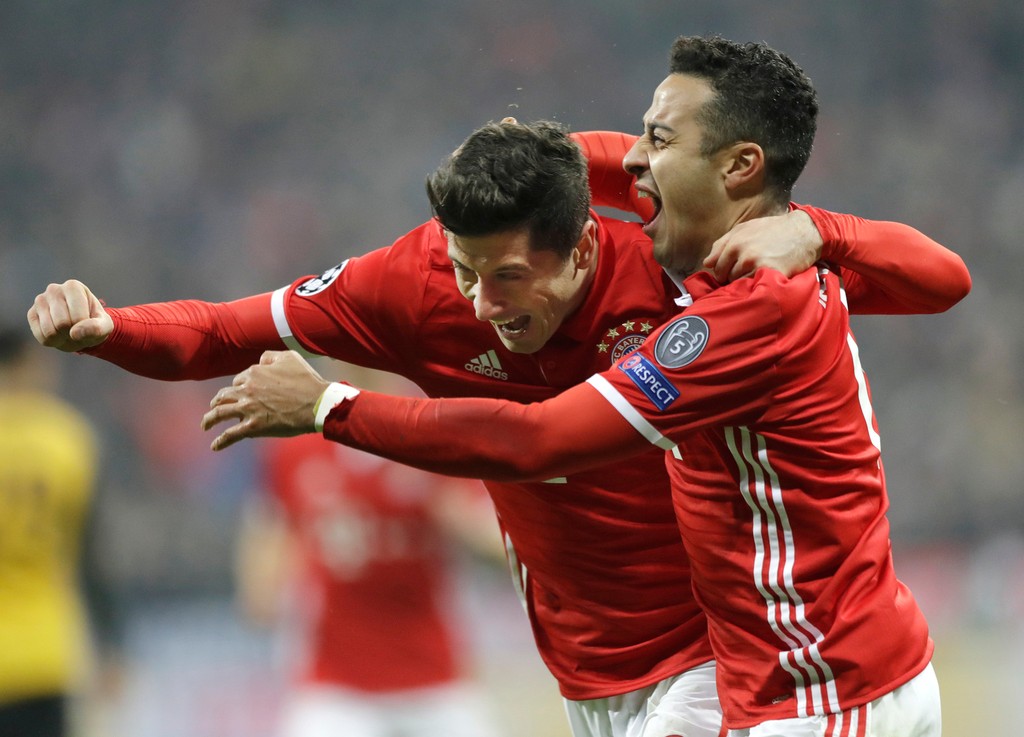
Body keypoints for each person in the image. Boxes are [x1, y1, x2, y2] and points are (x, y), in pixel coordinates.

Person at [28, 118, 968, 736]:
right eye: (465, 271)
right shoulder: (409, 284)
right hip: (583, 670)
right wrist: (111, 330)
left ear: (586, 243)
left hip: (713, 651)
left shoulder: (681, 256)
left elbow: (937, 279)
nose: (482, 303)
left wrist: (821, 231)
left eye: (510, 277)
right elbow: (223, 330)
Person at [235, 363, 502, 737]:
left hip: (430, 671)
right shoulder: (296, 442)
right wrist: (266, 588)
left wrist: (456, 511)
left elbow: (491, 537)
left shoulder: (430, 428)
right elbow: (268, 550)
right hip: (335, 681)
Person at [0, 326, 110, 737]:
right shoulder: (68, 440)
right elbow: (92, 556)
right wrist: (111, 644)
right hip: (44, 655)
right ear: (31, 365)